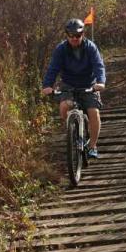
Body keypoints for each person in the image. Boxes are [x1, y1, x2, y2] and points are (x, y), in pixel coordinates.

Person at [42, 19, 106, 158]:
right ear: (66, 35)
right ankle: (73, 131)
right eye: (71, 36)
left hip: (88, 84)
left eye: (77, 35)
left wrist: (100, 82)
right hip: (68, 84)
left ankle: (92, 146)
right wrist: (47, 85)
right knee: (64, 106)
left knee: (93, 112)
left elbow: (98, 66)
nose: (74, 38)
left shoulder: (90, 47)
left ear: (82, 34)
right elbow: (53, 68)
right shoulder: (61, 49)